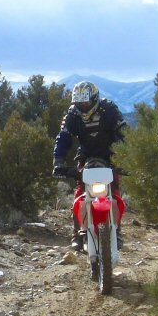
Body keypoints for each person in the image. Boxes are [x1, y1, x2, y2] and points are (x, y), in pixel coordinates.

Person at [52, 80, 127, 251]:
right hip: (86, 157)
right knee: (80, 191)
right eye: (79, 103)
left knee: (114, 189)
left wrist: (127, 155)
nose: (83, 106)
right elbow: (63, 137)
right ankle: (77, 232)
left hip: (111, 155)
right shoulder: (73, 115)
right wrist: (58, 162)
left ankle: (117, 230)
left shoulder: (109, 110)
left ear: (95, 99)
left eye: (86, 102)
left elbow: (123, 133)